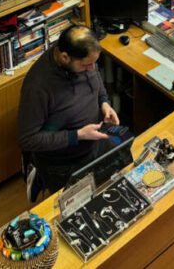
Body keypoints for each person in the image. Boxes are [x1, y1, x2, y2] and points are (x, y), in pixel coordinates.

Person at [18, 24, 119, 199]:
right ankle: (39, 179)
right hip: (63, 164)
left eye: (94, 64)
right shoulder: (38, 87)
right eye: (87, 65)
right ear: (65, 57)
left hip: (94, 143)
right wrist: (77, 135)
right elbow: (28, 140)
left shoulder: (85, 61)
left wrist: (104, 103)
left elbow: (95, 81)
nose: (92, 69)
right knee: (78, 209)